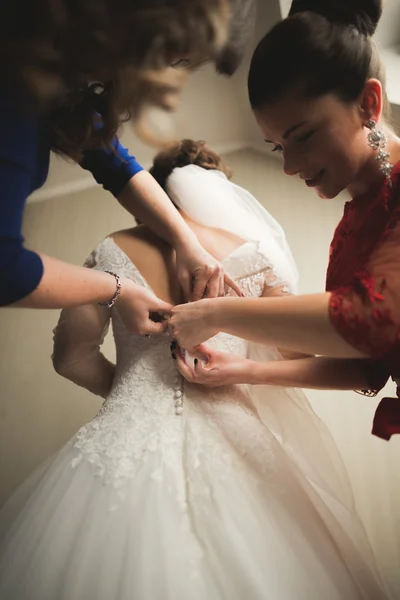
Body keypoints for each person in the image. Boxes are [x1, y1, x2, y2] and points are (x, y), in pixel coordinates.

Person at [0, 140, 390, 599]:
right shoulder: (252, 253)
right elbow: (301, 358)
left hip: (125, 435)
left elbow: (70, 357)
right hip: (239, 434)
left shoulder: (111, 250)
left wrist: (132, 394)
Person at [167, 0, 400, 441]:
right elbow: (365, 368)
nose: (290, 166)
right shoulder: (351, 231)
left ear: (369, 102)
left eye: (303, 137)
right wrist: (246, 369)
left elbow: (375, 318)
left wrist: (216, 312)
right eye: (277, 147)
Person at [0, 0, 257, 333]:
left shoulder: (59, 75)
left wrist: (187, 243)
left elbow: (115, 165)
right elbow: (6, 269)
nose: (168, 69)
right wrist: (117, 289)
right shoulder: (14, 79)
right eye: (173, 52)